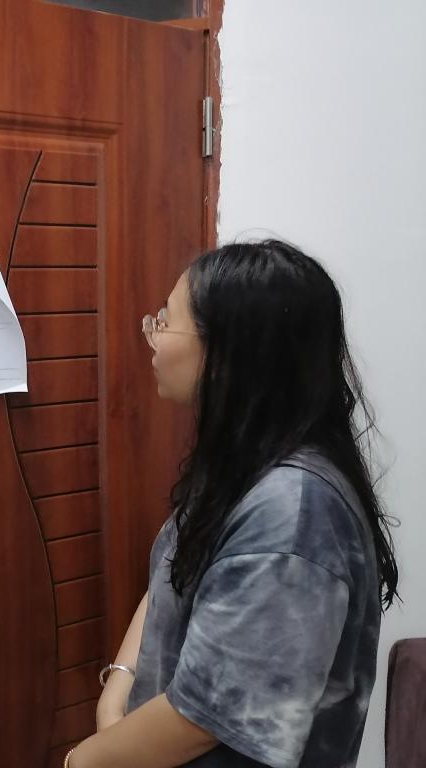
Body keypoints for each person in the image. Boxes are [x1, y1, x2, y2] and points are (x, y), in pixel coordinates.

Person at [64, 240, 399, 767]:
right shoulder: (243, 467)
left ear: (226, 353)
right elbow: (172, 576)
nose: (152, 338)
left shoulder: (293, 513)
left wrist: (81, 760)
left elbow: (201, 718)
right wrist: (117, 696)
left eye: (165, 322)